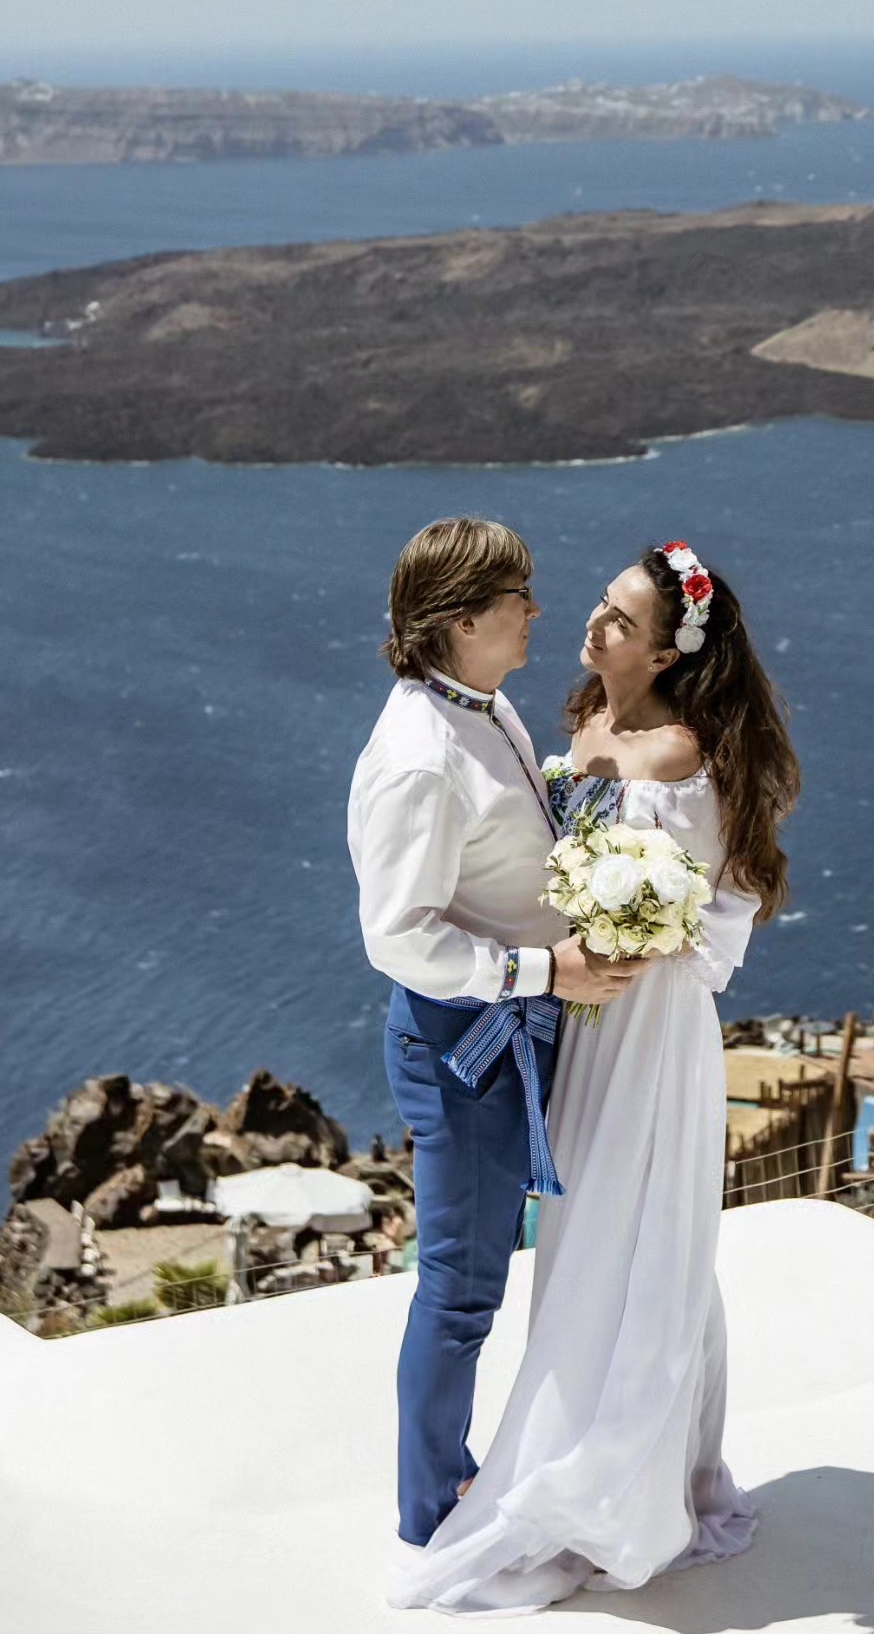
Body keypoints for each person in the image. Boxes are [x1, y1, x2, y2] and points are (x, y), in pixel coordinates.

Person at [390, 540, 801, 1615]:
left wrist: (651, 933)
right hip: (576, 1020)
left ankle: (620, 1480)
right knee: (582, 1242)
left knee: (635, 1230)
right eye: (602, 609)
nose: (593, 624)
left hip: (643, 1022)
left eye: (621, 619)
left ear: (667, 651)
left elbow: (727, 887)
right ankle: (568, 1443)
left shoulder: (679, 755)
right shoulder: (569, 722)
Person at [347, 517, 641, 1552]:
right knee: (463, 1289)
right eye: (518, 598)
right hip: (465, 1048)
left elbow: (504, 847)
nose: (537, 613)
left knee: (492, 1273)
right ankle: (432, 1513)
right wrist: (544, 969)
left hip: (516, 1029)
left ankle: (468, 1476)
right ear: (461, 620)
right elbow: (397, 938)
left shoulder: (481, 708)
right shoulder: (420, 757)